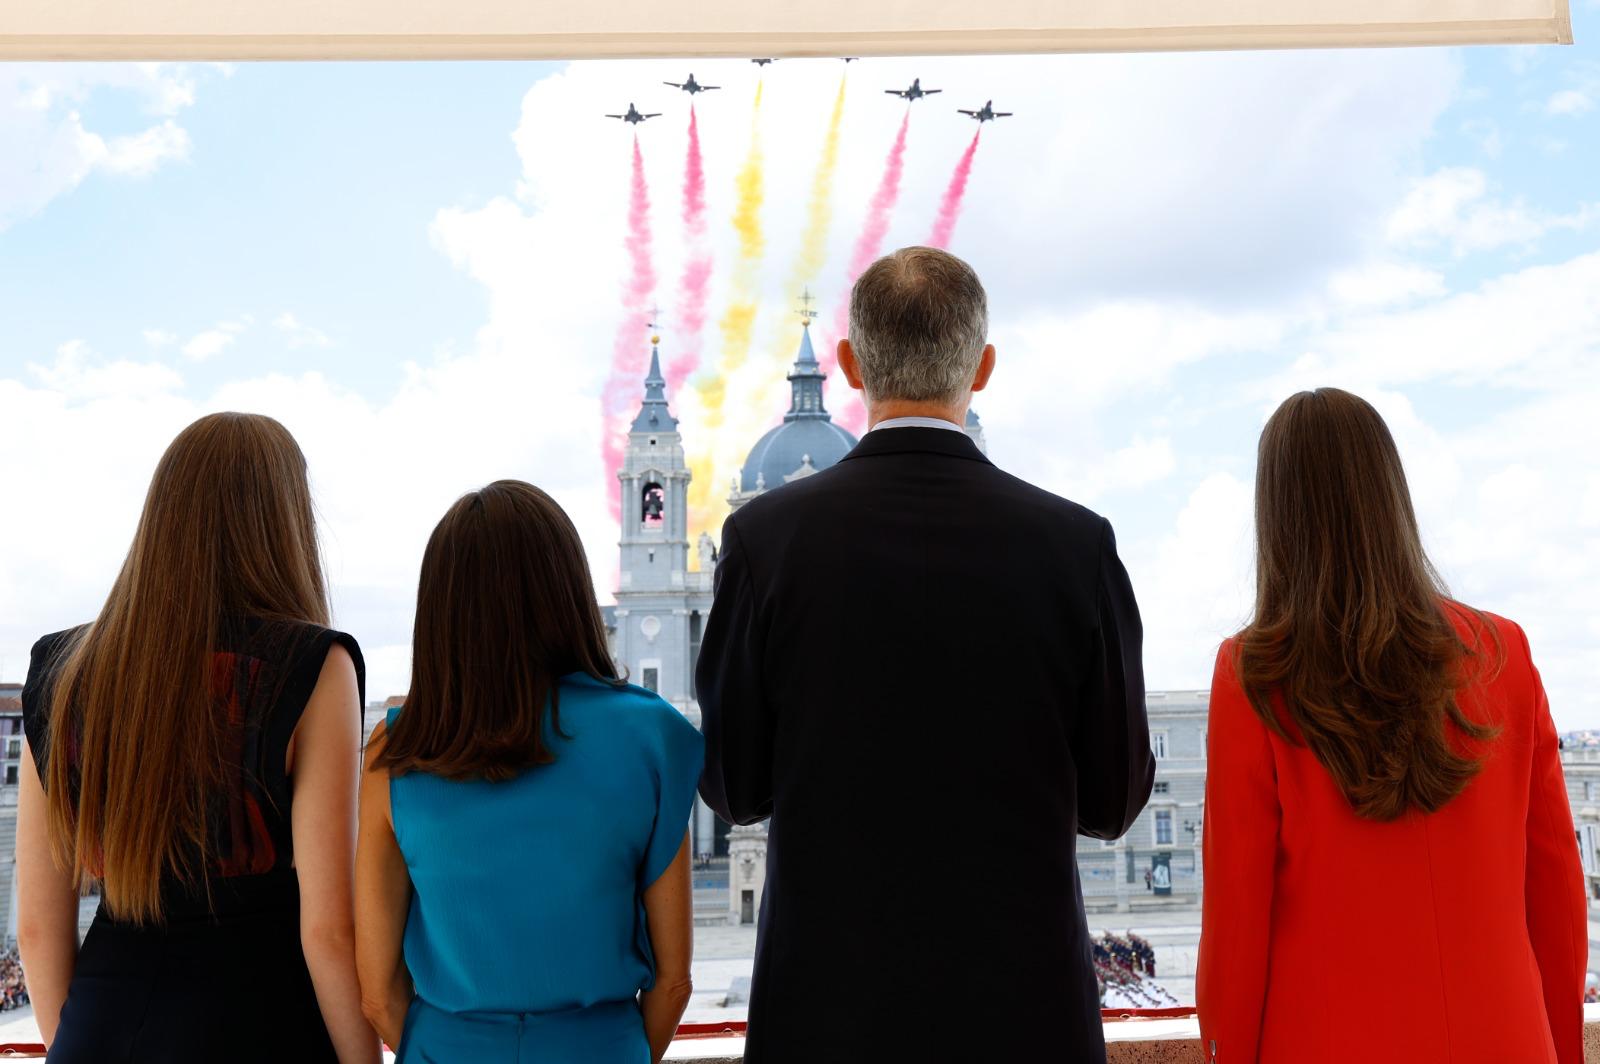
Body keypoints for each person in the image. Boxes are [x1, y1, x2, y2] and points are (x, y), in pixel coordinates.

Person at [696, 246, 1154, 1062]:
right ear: (982, 369)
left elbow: (734, 787)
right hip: (1026, 1019)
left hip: (826, 1017)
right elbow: (1113, 802)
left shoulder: (763, 540)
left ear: (849, 365)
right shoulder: (1076, 544)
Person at [1196, 388, 1586, 1063]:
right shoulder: (1505, 652)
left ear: (1277, 512)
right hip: (1506, 1039)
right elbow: (1554, 887)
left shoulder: (1255, 674)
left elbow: (1238, 920)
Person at [15, 412, 377, 1063]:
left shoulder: (61, 670)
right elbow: (327, 928)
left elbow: (40, 926)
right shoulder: (314, 665)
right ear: (287, 522)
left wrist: (76, 1040)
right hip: (265, 1022)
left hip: (104, 1022)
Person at [355, 480, 702, 1063]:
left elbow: (378, 992)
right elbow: (673, 982)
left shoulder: (397, 747)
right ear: (567, 590)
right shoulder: (650, 736)